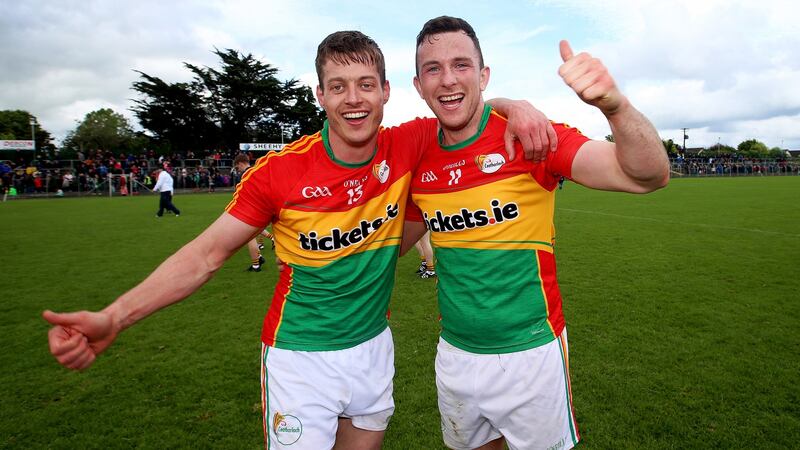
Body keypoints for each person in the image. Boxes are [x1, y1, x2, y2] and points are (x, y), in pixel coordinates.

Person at [43, 30, 552, 450]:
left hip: (373, 348)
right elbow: (205, 255)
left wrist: (519, 105)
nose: (353, 100)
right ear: (320, 94)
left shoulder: (408, 142)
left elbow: (460, 104)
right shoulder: (278, 174)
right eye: (338, 86)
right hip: (299, 357)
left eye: (365, 85)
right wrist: (115, 316)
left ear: (387, 91)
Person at [403, 16, 669, 450]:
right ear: (418, 84)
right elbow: (391, 244)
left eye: (461, 65)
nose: (448, 79)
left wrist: (614, 105)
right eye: (433, 68)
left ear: (483, 75)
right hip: (455, 354)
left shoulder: (532, 136)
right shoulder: (419, 154)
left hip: (531, 353)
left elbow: (647, 175)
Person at [232, 153, 266, 272]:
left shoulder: (246, 174)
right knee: (253, 236)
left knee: (249, 238)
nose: (238, 170)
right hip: (262, 207)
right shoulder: (256, 169)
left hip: (253, 209)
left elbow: (246, 194)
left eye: (237, 167)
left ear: (241, 163)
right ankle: (259, 258)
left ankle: (256, 265)